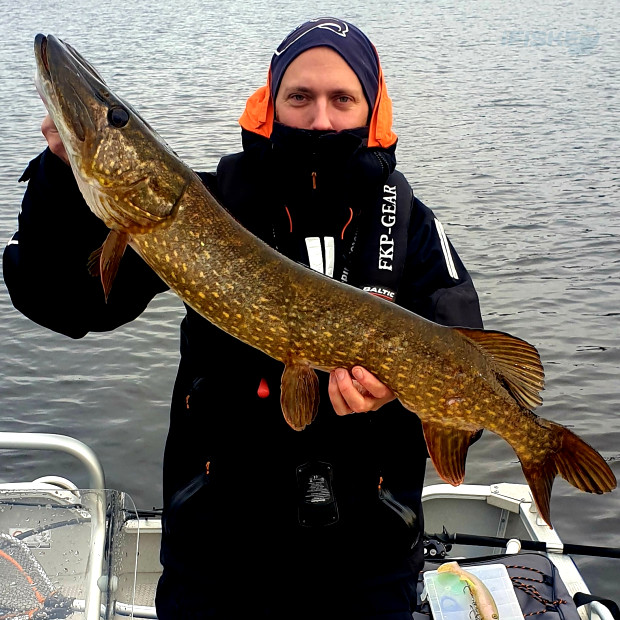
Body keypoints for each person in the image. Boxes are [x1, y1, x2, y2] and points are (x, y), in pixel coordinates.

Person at [4, 18, 483, 619]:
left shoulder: (411, 226)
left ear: (371, 109)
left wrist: (397, 392)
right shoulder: (207, 205)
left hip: (367, 559)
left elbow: (472, 386)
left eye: (342, 99)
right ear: (271, 103)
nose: (321, 119)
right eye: (300, 96)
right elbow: (60, 302)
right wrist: (59, 173)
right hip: (219, 552)